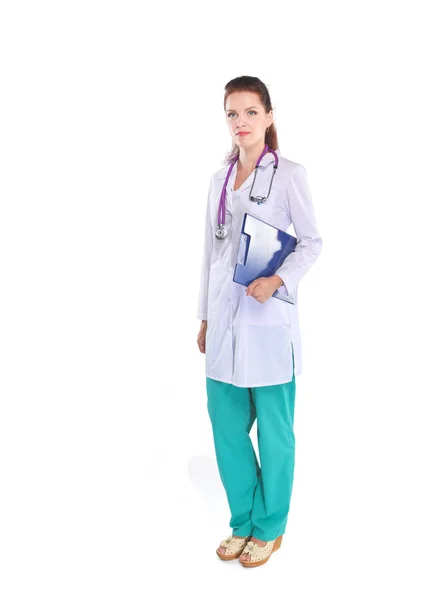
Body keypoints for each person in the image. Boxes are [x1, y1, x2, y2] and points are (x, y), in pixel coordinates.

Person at [196, 75, 323, 568]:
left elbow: (312, 242)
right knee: (226, 427)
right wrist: (204, 316)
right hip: (224, 322)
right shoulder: (218, 181)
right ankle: (242, 521)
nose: (241, 122)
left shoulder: (289, 174)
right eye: (232, 113)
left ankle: (270, 527)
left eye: (251, 112)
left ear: (268, 117)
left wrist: (278, 281)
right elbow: (209, 253)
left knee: (274, 432)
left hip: (268, 322)